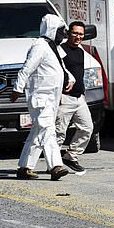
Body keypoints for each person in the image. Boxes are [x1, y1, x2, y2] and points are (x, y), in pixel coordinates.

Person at [10, 14, 74, 181]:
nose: (64, 34)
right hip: (40, 98)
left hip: (52, 98)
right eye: (61, 31)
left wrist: (70, 79)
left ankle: (25, 167)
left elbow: (61, 68)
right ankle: (55, 166)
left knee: (38, 131)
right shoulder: (39, 46)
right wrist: (18, 88)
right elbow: (26, 68)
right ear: (52, 30)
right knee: (47, 129)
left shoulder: (53, 47)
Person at [56, 21, 93, 173]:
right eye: (75, 33)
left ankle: (71, 156)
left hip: (79, 98)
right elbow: (57, 73)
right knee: (59, 132)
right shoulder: (61, 50)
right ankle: (54, 165)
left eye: (81, 34)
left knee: (87, 128)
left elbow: (80, 73)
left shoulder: (80, 51)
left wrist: (83, 92)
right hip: (65, 98)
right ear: (68, 33)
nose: (78, 37)